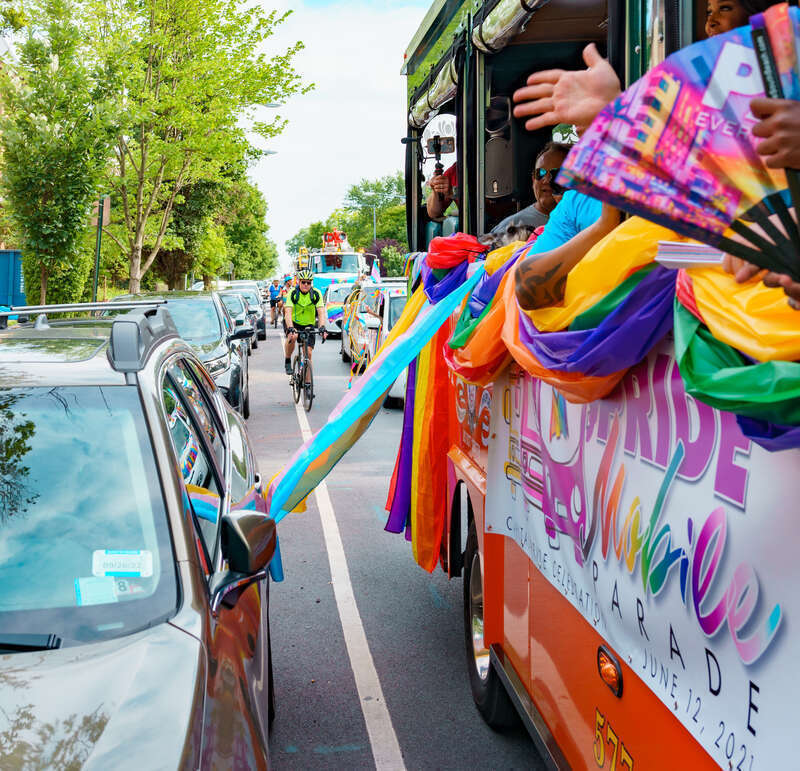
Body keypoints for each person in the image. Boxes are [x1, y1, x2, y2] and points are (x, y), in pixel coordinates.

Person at [490, 142, 570, 237]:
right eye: (540, 173)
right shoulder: (510, 230)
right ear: (533, 180)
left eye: (556, 173)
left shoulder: (583, 221)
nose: (546, 180)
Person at [284, 269, 327, 377]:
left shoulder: (316, 293)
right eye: (303, 282)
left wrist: (322, 327)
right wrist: (290, 327)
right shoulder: (293, 293)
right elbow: (288, 312)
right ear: (299, 282)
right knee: (293, 336)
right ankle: (287, 359)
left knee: (308, 354)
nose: (306, 285)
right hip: (294, 323)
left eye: (308, 282)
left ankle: (307, 384)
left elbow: (321, 312)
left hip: (308, 325)